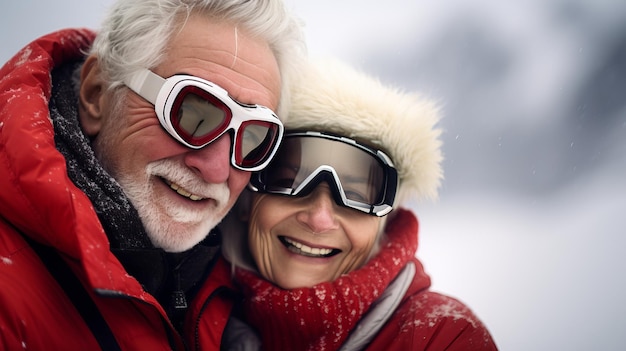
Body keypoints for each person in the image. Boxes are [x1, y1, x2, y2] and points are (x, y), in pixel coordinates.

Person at [0, 0, 304, 350]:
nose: (218, 169)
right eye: (192, 111)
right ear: (97, 93)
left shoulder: (236, 298)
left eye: (253, 136)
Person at [220, 57, 498, 350]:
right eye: (289, 180)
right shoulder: (187, 311)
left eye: (355, 196)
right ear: (246, 201)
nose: (319, 219)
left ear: (385, 223)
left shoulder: (439, 337)